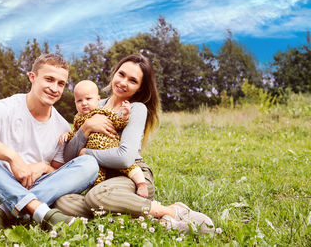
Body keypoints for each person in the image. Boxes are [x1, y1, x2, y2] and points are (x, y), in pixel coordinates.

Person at [54, 53, 215, 233]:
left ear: (139, 88)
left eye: (132, 80)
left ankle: (172, 211)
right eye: (121, 74)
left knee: (96, 198)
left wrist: (87, 153)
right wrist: (86, 128)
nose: (123, 82)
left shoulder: (136, 109)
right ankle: (152, 221)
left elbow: (124, 158)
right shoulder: (93, 105)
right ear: (114, 73)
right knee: (63, 202)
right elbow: (68, 157)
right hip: (103, 181)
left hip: (132, 175)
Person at [0, 53, 99, 231]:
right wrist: (12, 158)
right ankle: (39, 211)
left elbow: (57, 174)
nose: (54, 88)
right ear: (32, 77)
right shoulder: (7, 106)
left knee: (89, 163)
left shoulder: (62, 126)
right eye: (49, 79)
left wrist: (44, 168)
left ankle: (5, 211)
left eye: (60, 83)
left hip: (35, 189)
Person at [59, 79, 148, 198]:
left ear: (97, 99)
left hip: (111, 150)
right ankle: (94, 196)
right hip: (96, 163)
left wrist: (125, 115)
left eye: (88, 99)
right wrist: (68, 135)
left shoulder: (104, 111)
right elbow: (75, 135)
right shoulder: (78, 119)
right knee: (94, 182)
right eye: (79, 100)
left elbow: (118, 124)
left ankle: (141, 184)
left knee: (131, 169)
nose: (84, 103)